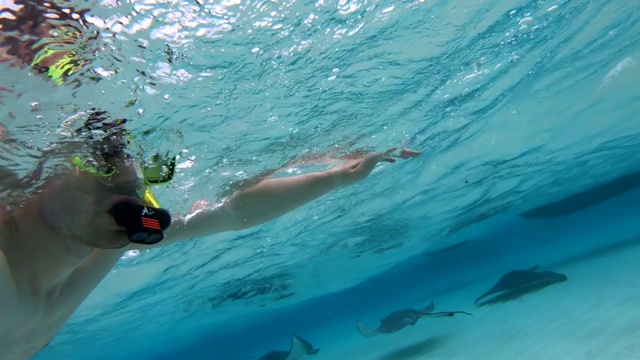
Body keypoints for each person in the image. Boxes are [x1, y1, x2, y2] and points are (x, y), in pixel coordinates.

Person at [0, 112, 420, 358]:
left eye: (133, 192)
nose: (128, 204)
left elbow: (231, 213)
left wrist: (337, 179)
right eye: (103, 167)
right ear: (30, 177)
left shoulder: (103, 241)